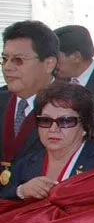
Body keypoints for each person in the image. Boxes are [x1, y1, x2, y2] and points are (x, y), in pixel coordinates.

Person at [1, 82, 94, 200]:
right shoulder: (25, 164)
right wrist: (21, 191)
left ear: (85, 126)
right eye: (46, 120)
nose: (53, 129)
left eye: (65, 121)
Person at [1, 21, 60, 188]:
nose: (7, 67)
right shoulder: (2, 100)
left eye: (18, 60)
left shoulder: (73, 107)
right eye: (4, 59)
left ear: (49, 63)